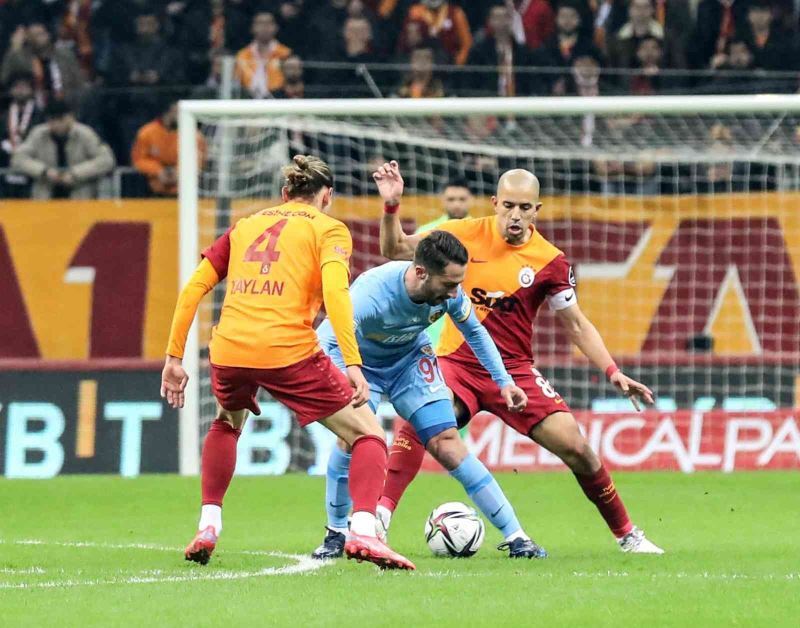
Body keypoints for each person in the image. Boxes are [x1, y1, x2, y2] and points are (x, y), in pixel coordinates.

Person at [375, 161, 665, 554]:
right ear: (495, 203)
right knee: (422, 421)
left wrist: (612, 371)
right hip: (459, 362)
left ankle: (627, 534)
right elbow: (394, 249)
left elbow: (576, 324)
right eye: (508, 205)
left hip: (514, 372)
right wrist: (391, 206)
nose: (515, 215)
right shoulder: (462, 235)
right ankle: (380, 519)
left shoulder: (550, 261)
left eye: (524, 208)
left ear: (536, 210)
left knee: (577, 448)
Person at [161, 155, 414, 571]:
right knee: (368, 434)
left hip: (230, 349)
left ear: (285, 194)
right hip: (287, 350)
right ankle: (364, 531)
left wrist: (174, 357)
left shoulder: (245, 226)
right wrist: (353, 363)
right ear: (327, 196)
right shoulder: (329, 229)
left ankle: (208, 524)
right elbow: (337, 295)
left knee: (227, 422)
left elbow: (193, 288)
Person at [311, 231, 546, 560]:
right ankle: (336, 532)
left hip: (409, 362)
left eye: (458, 283)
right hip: (359, 364)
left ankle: (517, 536)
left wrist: (503, 381)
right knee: (352, 438)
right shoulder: (371, 294)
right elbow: (328, 337)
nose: (455, 292)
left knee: (447, 442)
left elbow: (475, 332)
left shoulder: (451, 294)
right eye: (449, 284)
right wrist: (345, 374)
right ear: (421, 272)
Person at [11, 99, 115, 200]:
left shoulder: (85, 134)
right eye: (52, 120)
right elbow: (18, 159)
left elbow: (106, 160)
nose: (57, 124)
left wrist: (75, 173)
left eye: (61, 119)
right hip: (44, 198)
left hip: (81, 198)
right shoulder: (38, 134)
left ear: (71, 117)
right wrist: (44, 171)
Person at [1, 22, 85, 109]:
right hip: (34, 108)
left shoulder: (64, 55)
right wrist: (15, 48)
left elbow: (79, 81)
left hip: (67, 103)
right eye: (35, 35)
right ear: (28, 39)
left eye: (42, 33)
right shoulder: (22, 58)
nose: (41, 37)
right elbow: (4, 78)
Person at [131, 100, 205, 197]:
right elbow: (138, 160)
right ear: (168, 112)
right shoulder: (146, 133)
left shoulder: (194, 135)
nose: (181, 115)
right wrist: (158, 171)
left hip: (185, 191)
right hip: (152, 190)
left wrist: (178, 172)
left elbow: (198, 160)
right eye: (178, 112)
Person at [0, 72, 44, 198]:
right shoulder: (4, 114)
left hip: (31, 164)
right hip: (6, 164)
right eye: (17, 87)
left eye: (24, 87)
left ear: (31, 90)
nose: (20, 91)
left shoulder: (40, 114)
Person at [235, 12, 292, 98]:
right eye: (260, 23)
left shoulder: (286, 53)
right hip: (247, 101)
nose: (265, 27)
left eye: (269, 23)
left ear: (276, 27)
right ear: (252, 28)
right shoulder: (242, 55)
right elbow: (236, 83)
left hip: (278, 100)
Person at [405, 1, 473, 65]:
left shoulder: (455, 13)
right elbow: (406, 44)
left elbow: (467, 44)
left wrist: (457, 65)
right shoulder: (415, 12)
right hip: (421, 64)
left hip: (448, 64)